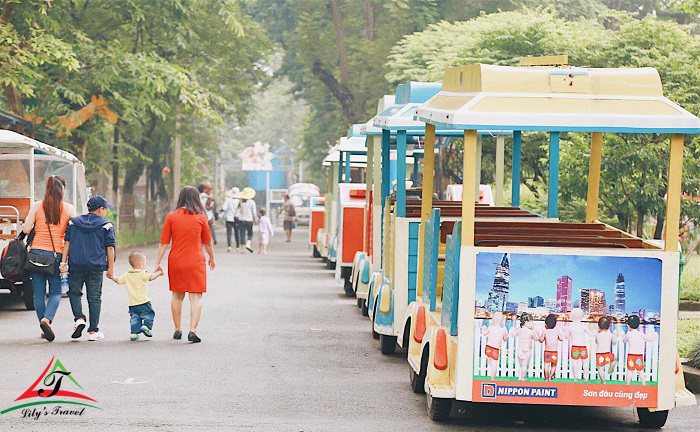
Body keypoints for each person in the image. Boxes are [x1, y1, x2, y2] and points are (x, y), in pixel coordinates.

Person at [155, 186, 215, 343]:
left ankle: (177, 329)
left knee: (177, 295)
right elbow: (208, 242)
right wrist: (212, 258)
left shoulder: (171, 216)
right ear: (197, 198)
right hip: (196, 261)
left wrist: (158, 262)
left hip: (176, 261)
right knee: (196, 296)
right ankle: (192, 330)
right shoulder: (201, 217)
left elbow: (163, 242)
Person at [23, 175, 77, 342]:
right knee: (55, 292)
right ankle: (47, 319)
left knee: (38, 294)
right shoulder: (68, 209)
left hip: (36, 253)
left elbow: (25, 229)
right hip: (56, 256)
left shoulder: (38, 206)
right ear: (63, 190)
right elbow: (76, 230)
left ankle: (42, 324)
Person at [60, 195, 116, 341]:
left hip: (76, 265)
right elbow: (110, 248)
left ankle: (79, 318)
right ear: (100, 209)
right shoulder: (106, 225)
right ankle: (93, 331)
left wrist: (63, 262)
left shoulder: (73, 223)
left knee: (74, 293)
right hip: (96, 267)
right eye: (105, 209)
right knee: (94, 297)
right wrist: (111, 268)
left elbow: (67, 242)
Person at [109, 251, 163, 341]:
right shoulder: (142, 273)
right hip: (143, 301)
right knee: (149, 314)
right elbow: (151, 277)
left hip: (132, 304)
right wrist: (159, 273)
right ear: (141, 264)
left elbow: (118, 280)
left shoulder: (127, 274)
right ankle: (146, 326)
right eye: (145, 263)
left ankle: (134, 333)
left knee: (135, 318)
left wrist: (111, 276)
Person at [621, 315, 657, 385]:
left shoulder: (629, 334)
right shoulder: (640, 334)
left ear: (628, 325)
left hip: (631, 355)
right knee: (640, 371)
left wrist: (623, 335)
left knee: (630, 371)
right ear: (638, 325)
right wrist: (655, 336)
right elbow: (649, 339)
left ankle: (627, 384)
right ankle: (644, 384)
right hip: (639, 356)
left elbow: (624, 340)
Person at [564, 308, 590, 382]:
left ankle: (575, 376)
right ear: (582, 316)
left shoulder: (570, 327)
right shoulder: (583, 326)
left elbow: (566, 336)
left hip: (575, 347)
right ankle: (585, 376)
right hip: (583, 348)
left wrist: (564, 330)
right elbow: (591, 333)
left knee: (575, 362)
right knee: (585, 362)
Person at [480, 311, 508, 380]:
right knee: (494, 364)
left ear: (492, 319)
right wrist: (506, 333)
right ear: (502, 320)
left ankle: (488, 358)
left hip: (488, 348)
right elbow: (505, 339)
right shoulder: (502, 330)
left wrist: (484, 328)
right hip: (495, 350)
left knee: (488, 355)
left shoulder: (490, 327)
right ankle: (493, 378)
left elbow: (484, 333)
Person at [510, 313, 537, 381]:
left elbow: (513, 334)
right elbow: (537, 338)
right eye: (531, 322)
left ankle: (520, 377)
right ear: (527, 322)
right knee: (525, 366)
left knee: (521, 365)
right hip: (527, 350)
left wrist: (514, 326)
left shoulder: (520, 330)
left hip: (520, 350)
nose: (532, 324)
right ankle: (523, 378)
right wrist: (535, 329)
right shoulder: (531, 332)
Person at [538, 314, 563, 382]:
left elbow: (541, 340)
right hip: (554, 352)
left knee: (546, 365)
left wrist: (538, 335)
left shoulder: (545, 331)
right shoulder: (556, 331)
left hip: (547, 352)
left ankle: (546, 378)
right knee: (554, 366)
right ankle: (550, 377)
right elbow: (561, 338)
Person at [595, 316, 618, 384]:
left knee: (600, 368)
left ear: (598, 326)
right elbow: (614, 342)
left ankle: (603, 381)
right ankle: (610, 369)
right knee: (615, 358)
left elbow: (596, 342)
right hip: (607, 355)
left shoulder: (597, 335)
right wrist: (614, 335)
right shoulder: (610, 334)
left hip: (599, 355)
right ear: (608, 327)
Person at [236, 187, 257, 253]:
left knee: (242, 234)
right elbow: (254, 212)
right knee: (250, 233)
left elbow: (237, 211)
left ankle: (242, 249)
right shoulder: (252, 202)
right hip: (249, 220)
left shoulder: (240, 202)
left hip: (241, 220)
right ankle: (248, 244)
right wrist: (255, 220)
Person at [221, 187, 241, 253]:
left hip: (229, 218)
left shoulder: (228, 200)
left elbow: (224, 208)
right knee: (236, 233)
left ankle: (229, 247)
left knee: (229, 233)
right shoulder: (239, 201)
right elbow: (240, 210)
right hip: (236, 218)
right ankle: (238, 247)